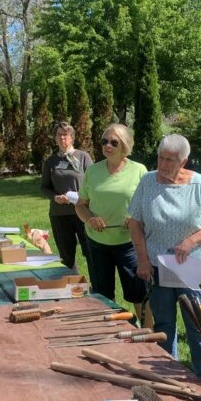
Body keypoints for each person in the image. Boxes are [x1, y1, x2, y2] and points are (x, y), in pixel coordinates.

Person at [128, 134, 201, 379]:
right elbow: (135, 222)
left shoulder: (198, 184)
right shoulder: (148, 182)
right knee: (163, 324)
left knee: (197, 325)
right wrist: (143, 260)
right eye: (160, 157)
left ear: (184, 161)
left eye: (170, 160)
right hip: (158, 265)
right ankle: (167, 375)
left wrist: (191, 242)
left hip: (192, 265)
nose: (163, 164)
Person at [76, 124, 147, 315]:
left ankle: (142, 329)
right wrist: (90, 219)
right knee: (102, 294)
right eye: (104, 141)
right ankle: (108, 330)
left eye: (113, 142)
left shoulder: (139, 171)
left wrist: (134, 217)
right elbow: (80, 204)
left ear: (124, 145)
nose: (108, 145)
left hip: (129, 243)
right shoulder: (92, 171)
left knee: (137, 292)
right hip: (98, 243)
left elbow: (148, 204)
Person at [41, 122, 93, 270]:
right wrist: (55, 197)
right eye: (59, 134)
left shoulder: (83, 157)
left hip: (83, 213)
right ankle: (72, 286)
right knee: (66, 257)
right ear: (55, 138)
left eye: (66, 134)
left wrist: (82, 196)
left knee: (91, 252)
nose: (62, 137)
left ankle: (96, 288)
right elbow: (44, 187)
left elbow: (94, 183)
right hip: (60, 215)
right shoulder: (50, 162)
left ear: (72, 137)